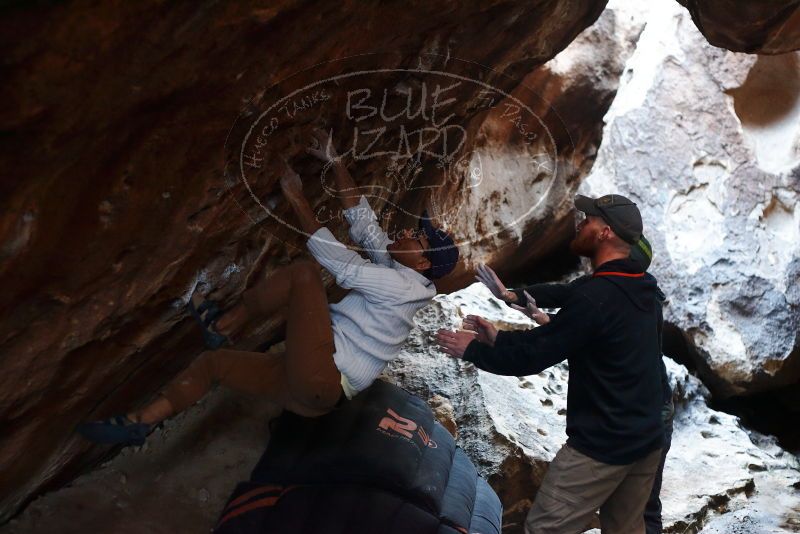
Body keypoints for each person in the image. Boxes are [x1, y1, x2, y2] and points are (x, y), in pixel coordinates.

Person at [78, 128, 459, 446]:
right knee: (215, 365)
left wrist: (296, 198)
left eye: (418, 238)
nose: (409, 232)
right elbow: (364, 223)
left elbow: (341, 266)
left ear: (422, 263)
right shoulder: (404, 273)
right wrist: (336, 161)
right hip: (313, 395)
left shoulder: (400, 287)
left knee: (305, 275)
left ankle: (222, 326)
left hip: (322, 375)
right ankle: (140, 423)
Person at [436, 194, 665, 534]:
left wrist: (475, 350)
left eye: (587, 220)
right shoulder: (642, 287)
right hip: (646, 439)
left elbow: (535, 354)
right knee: (626, 529)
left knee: (545, 529)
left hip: (603, 445)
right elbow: (568, 301)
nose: (579, 224)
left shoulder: (596, 298)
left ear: (605, 233)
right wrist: (503, 325)